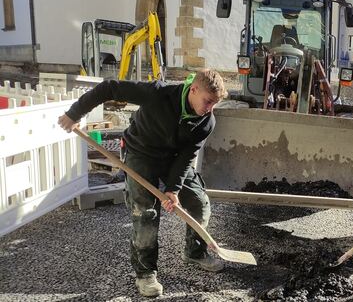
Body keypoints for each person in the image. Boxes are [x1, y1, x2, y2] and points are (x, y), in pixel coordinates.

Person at [58, 69, 227, 297]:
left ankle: (195, 252)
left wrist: (173, 189)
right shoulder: (158, 93)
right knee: (146, 213)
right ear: (194, 89)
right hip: (141, 152)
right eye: (208, 101)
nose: (210, 108)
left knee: (199, 202)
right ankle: (146, 273)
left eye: (214, 104)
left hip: (173, 159)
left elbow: (188, 156)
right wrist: (74, 113)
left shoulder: (206, 122)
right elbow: (110, 87)